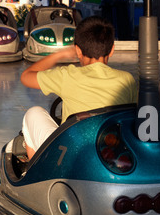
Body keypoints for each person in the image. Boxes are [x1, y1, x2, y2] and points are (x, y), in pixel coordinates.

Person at [20, 16, 138, 160]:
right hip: (112, 153)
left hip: (72, 156)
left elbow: (26, 76)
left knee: (33, 113)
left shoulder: (68, 76)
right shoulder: (127, 80)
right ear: (112, 49)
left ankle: (34, 176)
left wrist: (59, 55)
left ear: (78, 51)